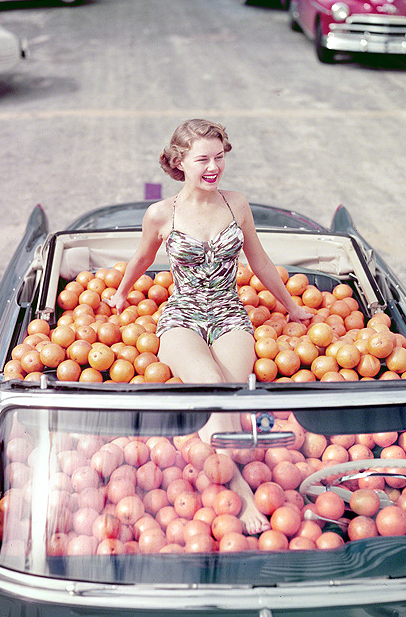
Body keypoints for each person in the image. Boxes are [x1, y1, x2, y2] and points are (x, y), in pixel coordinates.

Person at [107, 118, 311, 534]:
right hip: (182, 314)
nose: (213, 166)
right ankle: (239, 487)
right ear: (180, 161)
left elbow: (260, 260)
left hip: (229, 312)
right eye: (203, 159)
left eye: (219, 157)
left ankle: (233, 472)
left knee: (231, 398)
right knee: (210, 389)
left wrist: (291, 305)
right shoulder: (161, 212)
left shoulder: (237, 204)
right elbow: (143, 258)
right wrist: (121, 292)